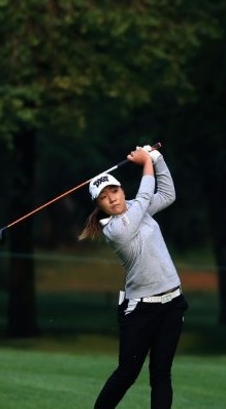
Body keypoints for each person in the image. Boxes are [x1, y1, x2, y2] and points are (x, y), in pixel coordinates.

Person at [78, 145, 187, 409]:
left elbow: (168, 194)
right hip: (141, 310)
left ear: (121, 190)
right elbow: (146, 193)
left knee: (161, 373)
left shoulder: (139, 210)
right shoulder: (115, 229)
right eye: (104, 197)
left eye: (114, 191)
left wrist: (157, 158)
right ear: (99, 206)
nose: (113, 199)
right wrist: (145, 162)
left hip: (172, 304)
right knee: (127, 374)